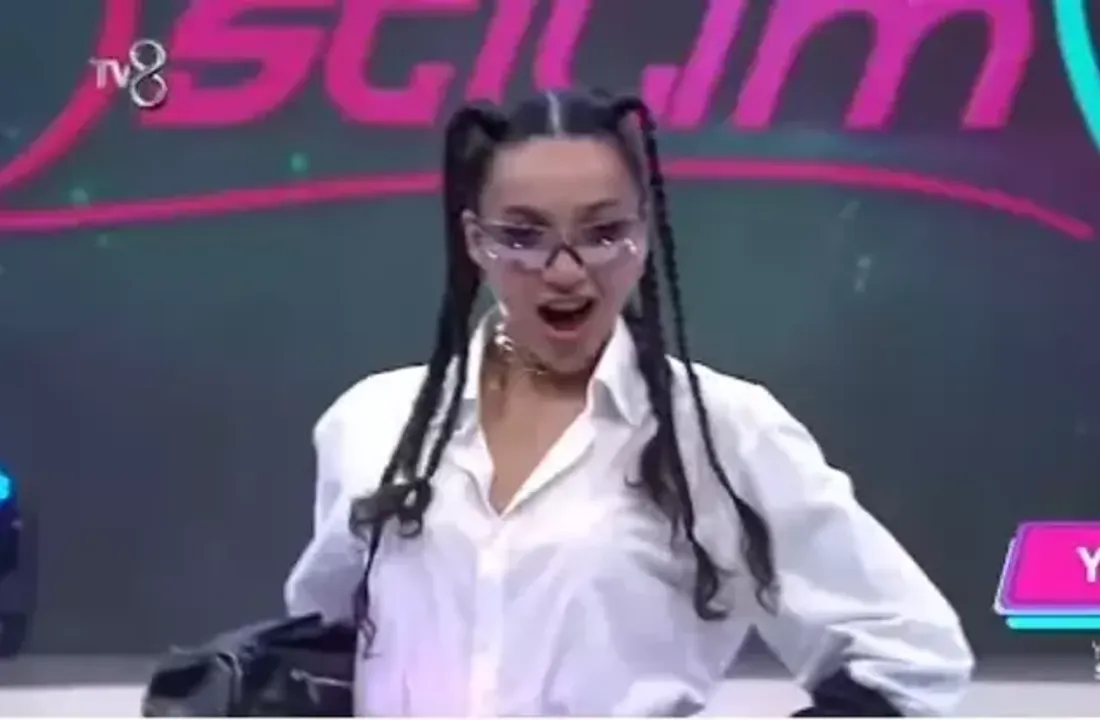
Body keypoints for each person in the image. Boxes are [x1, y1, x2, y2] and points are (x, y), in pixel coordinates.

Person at [284, 88, 972, 716]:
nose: (565, 271)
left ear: (643, 235)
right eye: (523, 237)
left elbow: (909, 652)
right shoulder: (373, 423)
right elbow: (326, 644)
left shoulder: (720, 432)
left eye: (603, 233)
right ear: (476, 241)